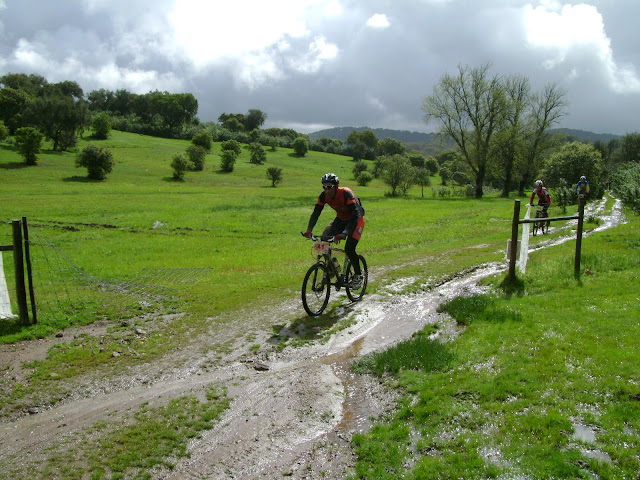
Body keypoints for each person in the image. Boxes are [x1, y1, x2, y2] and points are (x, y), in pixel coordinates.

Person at [303, 173, 365, 288]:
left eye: (330, 187)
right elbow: (316, 213)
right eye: (324, 187)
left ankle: (358, 275)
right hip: (341, 220)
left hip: (356, 220)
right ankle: (331, 267)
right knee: (323, 240)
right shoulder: (323, 196)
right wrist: (309, 230)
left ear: (336, 186)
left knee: (349, 249)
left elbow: (355, 214)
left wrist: (344, 233)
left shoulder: (346, 193)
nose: (327, 190)